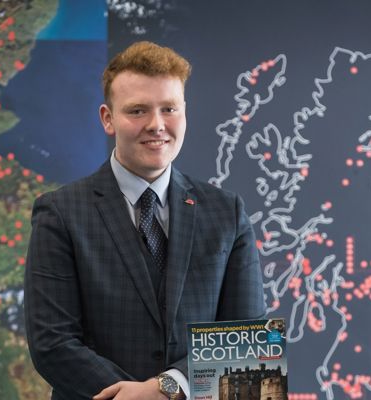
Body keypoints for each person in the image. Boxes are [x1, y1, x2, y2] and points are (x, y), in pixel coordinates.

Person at [24, 41, 266, 400]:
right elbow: (52, 343)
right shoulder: (59, 213)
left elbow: (248, 339)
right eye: (137, 111)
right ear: (108, 118)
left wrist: (166, 389)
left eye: (169, 109)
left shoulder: (226, 212)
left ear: (185, 112)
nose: (157, 125)